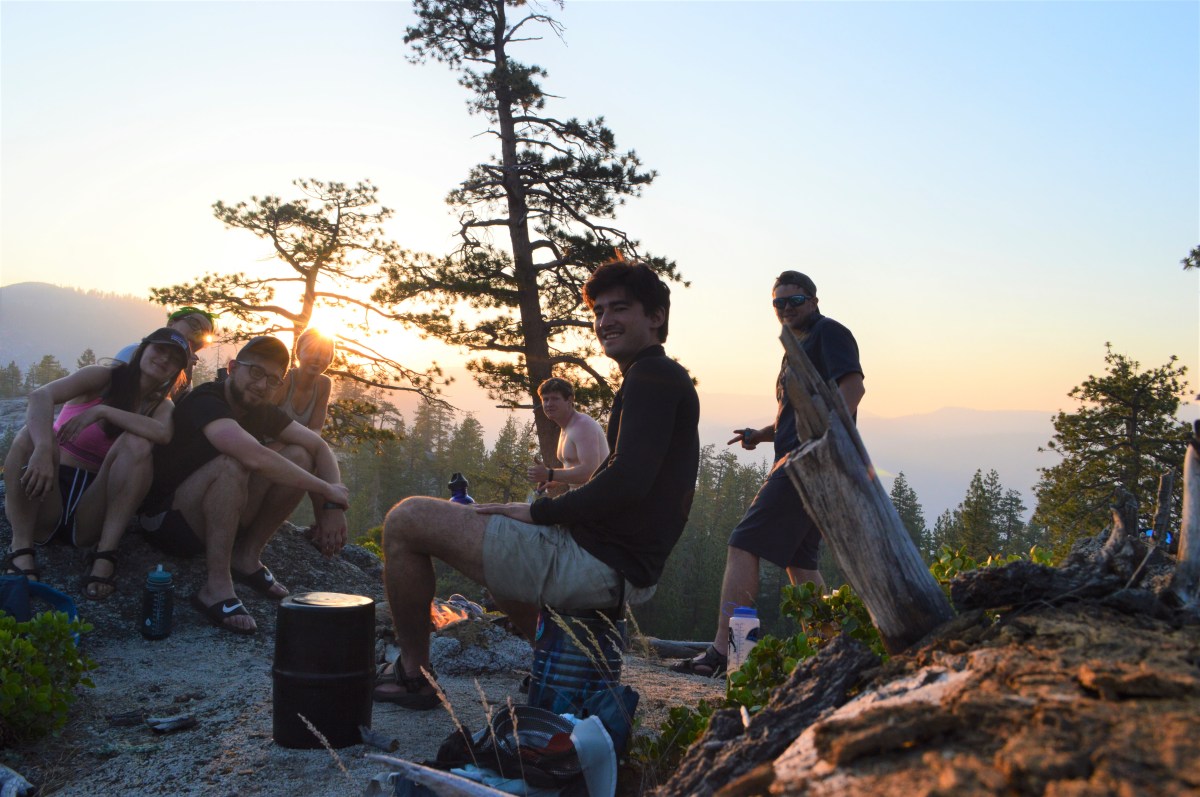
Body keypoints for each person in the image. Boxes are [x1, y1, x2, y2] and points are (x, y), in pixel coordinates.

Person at [374, 260, 700, 709]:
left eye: (620, 308)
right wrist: (536, 515)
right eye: (599, 311)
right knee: (501, 525)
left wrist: (541, 512)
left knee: (407, 519)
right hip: (615, 561)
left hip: (600, 564)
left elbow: (627, 480)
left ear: (656, 316)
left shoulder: (652, 376)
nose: (605, 320)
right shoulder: (654, 376)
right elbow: (622, 476)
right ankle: (554, 663)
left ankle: (413, 677)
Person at [673, 270, 865, 677]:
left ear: (813, 301)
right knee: (801, 562)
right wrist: (761, 435)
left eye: (794, 301)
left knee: (743, 542)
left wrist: (824, 440)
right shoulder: (796, 345)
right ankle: (831, 655)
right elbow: (797, 412)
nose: (785, 308)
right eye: (778, 303)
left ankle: (728, 651)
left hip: (808, 460)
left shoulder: (829, 333)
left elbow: (853, 388)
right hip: (813, 460)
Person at [135, 335, 350, 635]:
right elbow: (253, 455)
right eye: (256, 372)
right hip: (169, 521)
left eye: (272, 380)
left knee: (300, 455)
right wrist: (325, 489)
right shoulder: (206, 400)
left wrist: (332, 505)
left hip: (221, 514)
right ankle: (216, 586)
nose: (261, 385)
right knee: (231, 463)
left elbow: (318, 446)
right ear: (233, 368)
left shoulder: (260, 409)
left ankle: (247, 556)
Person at [3, 328, 191, 599]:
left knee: (138, 444)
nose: (164, 359)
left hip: (91, 509)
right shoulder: (101, 378)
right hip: (45, 492)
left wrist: (103, 411)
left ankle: (105, 554)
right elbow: (40, 396)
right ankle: (20, 548)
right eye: (160, 349)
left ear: (177, 371)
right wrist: (43, 448)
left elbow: (162, 433)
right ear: (143, 348)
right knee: (27, 436)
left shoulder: (161, 406)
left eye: (174, 359)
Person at [525, 377, 609, 493]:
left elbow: (590, 471)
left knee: (516, 505)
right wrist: (555, 480)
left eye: (555, 399)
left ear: (569, 400)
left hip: (598, 497)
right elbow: (574, 466)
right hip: (582, 495)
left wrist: (550, 474)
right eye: (545, 399)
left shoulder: (583, 425)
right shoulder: (567, 426)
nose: (549, 404)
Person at [115, 306, 218, 400]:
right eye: (194, 324)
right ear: (171, 324)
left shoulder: (183, 375)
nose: (199, 333)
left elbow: (167, 406)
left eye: (206, 333)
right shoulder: (134, 352)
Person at [272, 327, 334, 433]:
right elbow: (264, 418)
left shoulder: (324, 384)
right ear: (298, 353)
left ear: (331, 359)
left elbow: (315, 429)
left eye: (324, 353)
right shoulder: (286, 378)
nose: (317, 357)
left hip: (296, 441)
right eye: (310, 350)